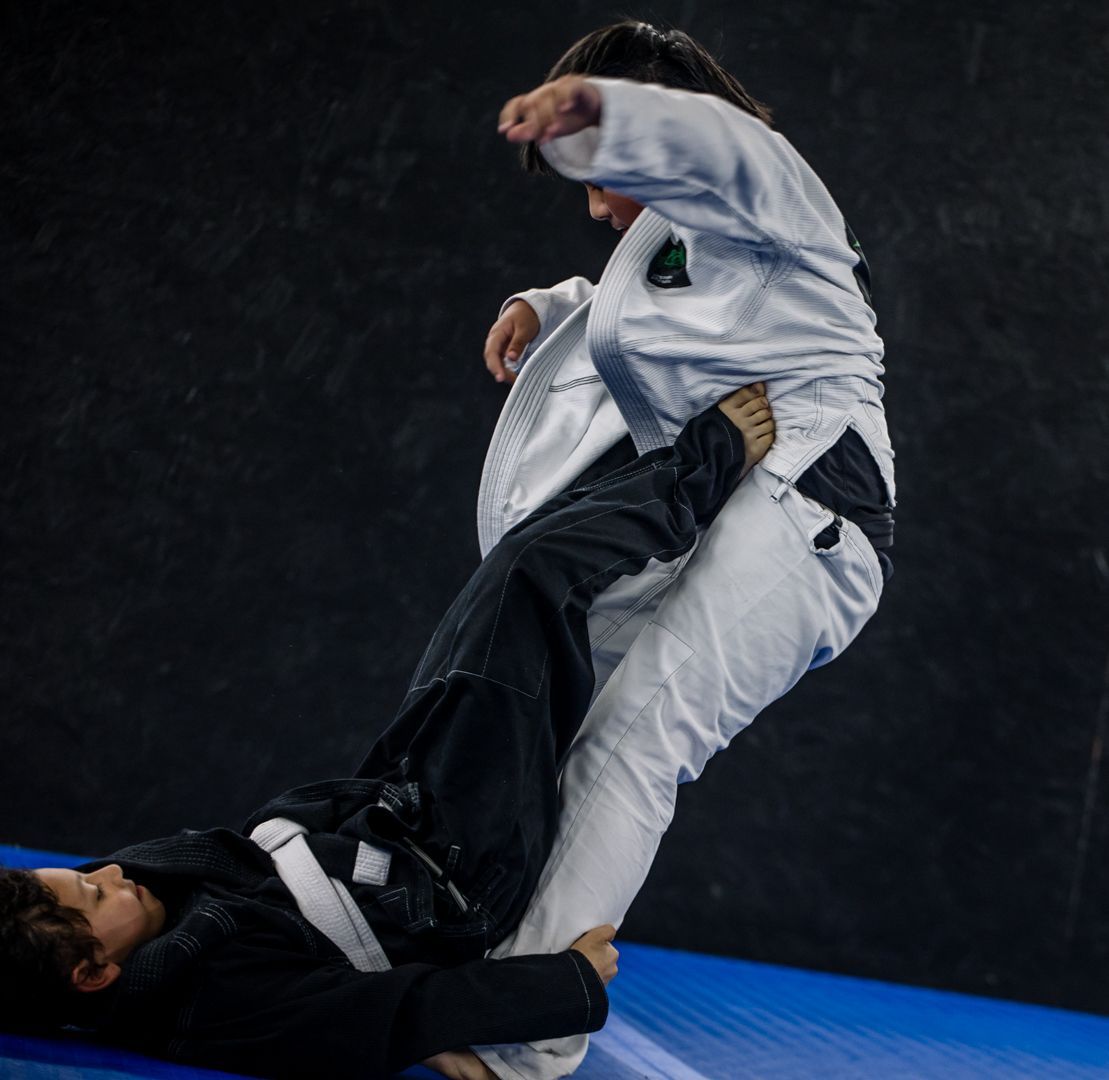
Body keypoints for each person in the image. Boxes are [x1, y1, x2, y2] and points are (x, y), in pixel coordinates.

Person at [0, 386, 774, 1080]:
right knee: (526, 576)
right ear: (96, 976)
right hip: (458, 870)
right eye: (98, 895)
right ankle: (707, 464)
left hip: (396, 812)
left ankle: (670, 487)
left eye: (84, 873)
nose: (110, 875)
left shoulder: (136, 920)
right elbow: (381, 1017)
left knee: (506, 594)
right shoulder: (211, 996)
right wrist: (557, 984)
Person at [473, 21, 896, 1080]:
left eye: (597, 175)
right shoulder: (672, 239)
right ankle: (460, 951)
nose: (593, 205)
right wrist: (549, 302)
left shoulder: (764, 183)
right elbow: (660, 306)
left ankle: (520, 1037)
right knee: (535, 707)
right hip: (719, 513)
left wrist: (605, 112)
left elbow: (716, 148)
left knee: (632, 741)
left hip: (811, 508)